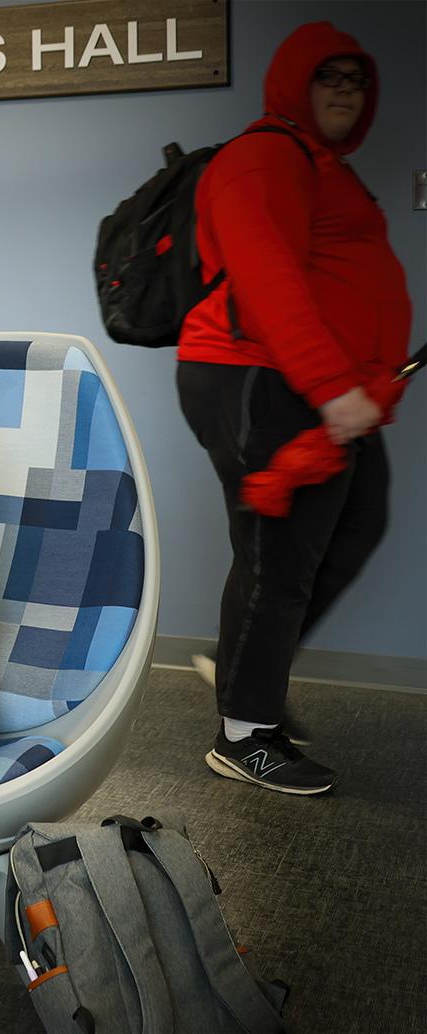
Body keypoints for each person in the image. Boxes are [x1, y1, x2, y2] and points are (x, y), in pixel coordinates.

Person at [176, 23, 411, 794]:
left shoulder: (321, 164)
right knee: (280, 555)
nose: (346, 91)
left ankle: (244, 665)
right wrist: (333, 388)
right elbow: (267, 278)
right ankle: (244, 735)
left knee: (354, 523)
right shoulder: (264, 157)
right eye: (328, 76)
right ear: (294, 83)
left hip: (311, 382)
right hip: (261, 377)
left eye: (357, 78)